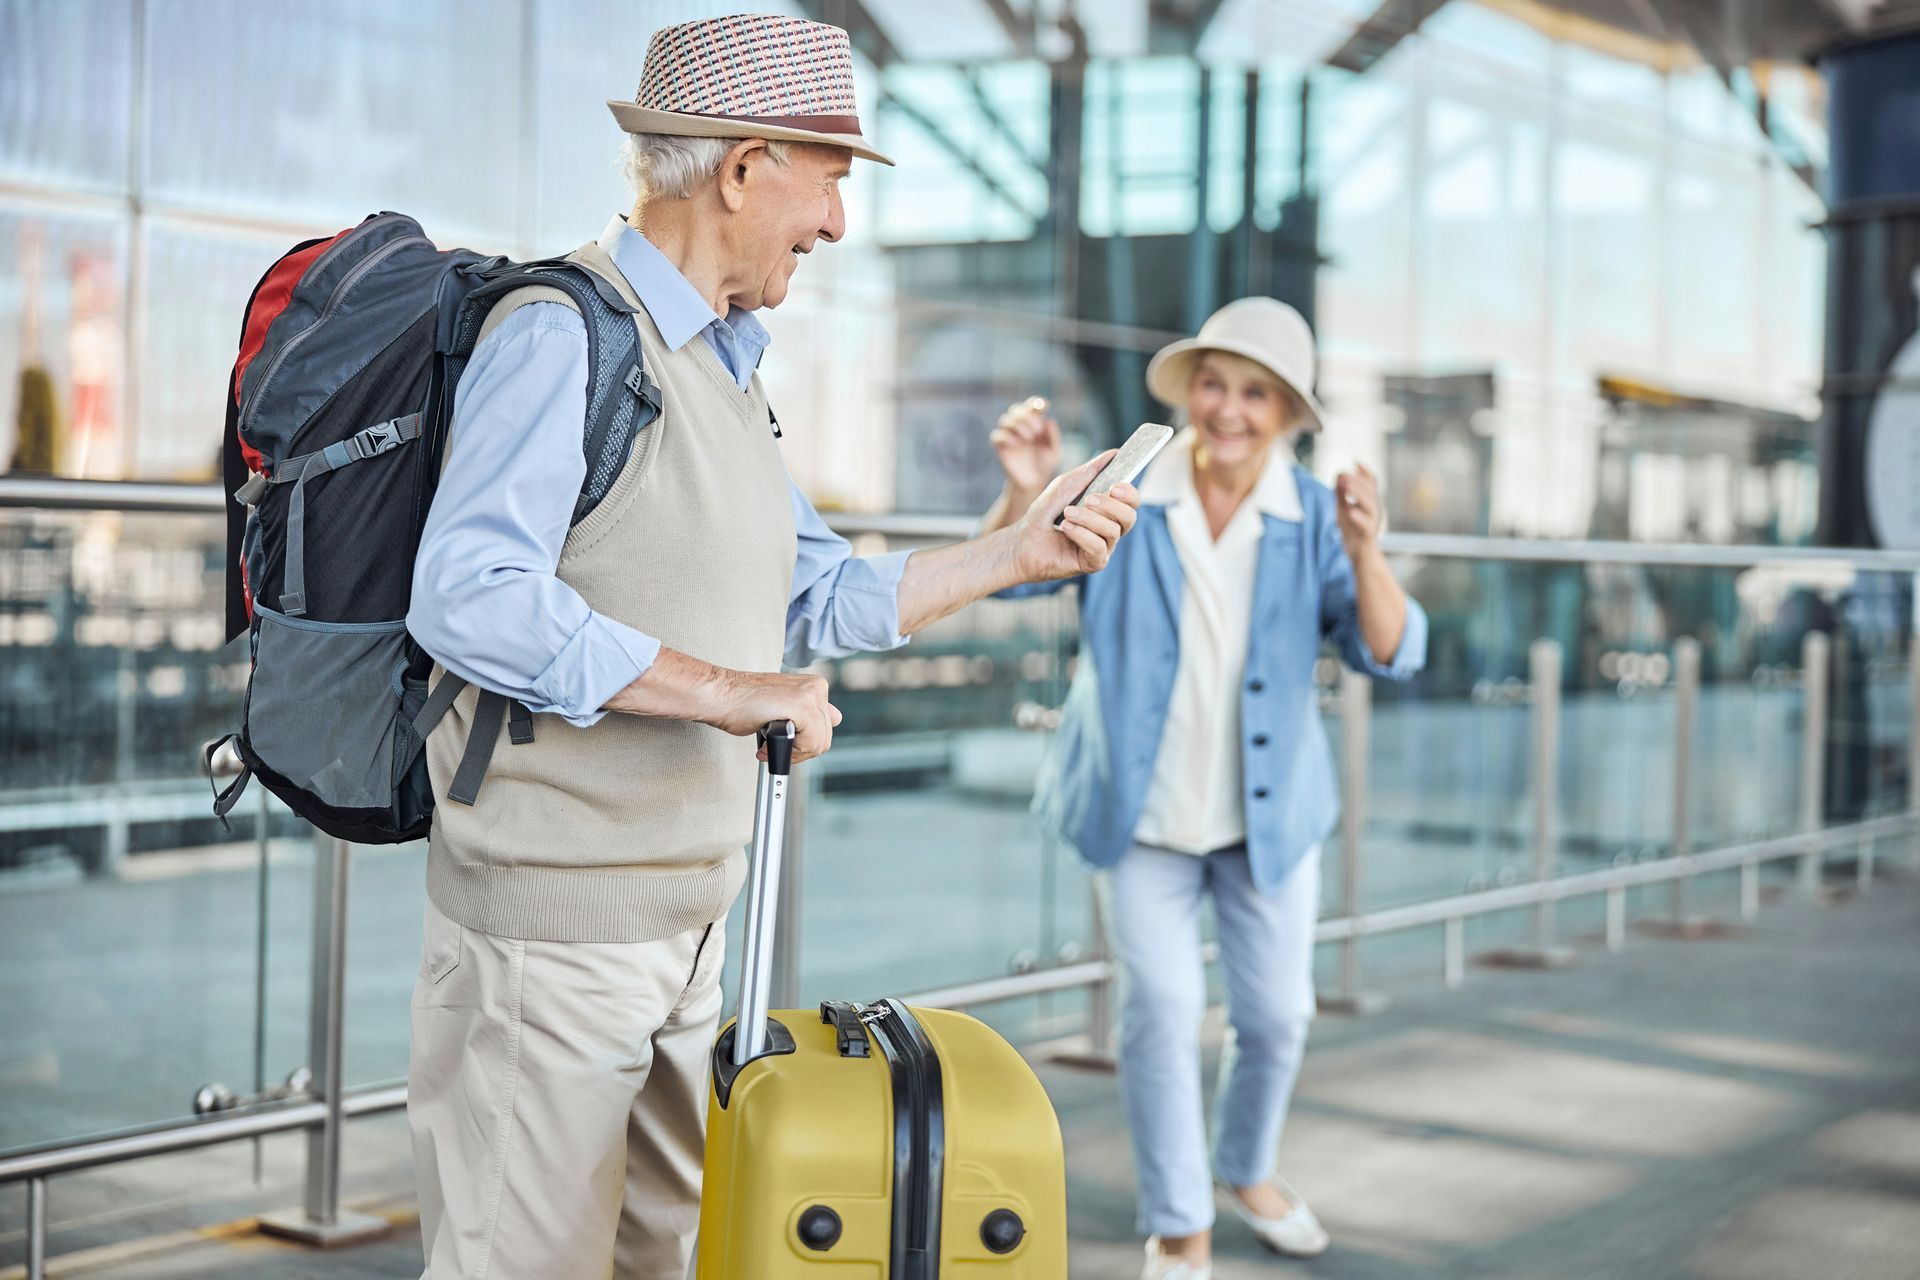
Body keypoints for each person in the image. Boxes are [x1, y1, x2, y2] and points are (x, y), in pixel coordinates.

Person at [401, 16, 1140, 1278]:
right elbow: (469, 594)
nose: (840, 222)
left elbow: (818, 596)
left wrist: (1020, 551)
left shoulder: (724, 369)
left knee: (659, 1256)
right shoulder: (561, 331)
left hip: (690, 928)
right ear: (744, 169)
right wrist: (728, 692)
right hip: (556, 934)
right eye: (833, 176)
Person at [982, 297, 1427, 1279]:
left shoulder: (1311, 514)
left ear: (1287, 412)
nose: (1228, 408)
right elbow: (1013, 577)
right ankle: (1180, 1221)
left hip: (1265, 818)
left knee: (1277, 1016)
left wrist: (1366, 547)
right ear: (1189, 390)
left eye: (1255, 391)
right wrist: (1024, 492)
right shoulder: (1124, 483)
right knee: (1161, 1005)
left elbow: (1389, 649)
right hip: (1136, 812)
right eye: (1215, 383)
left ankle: (1248, 1166)